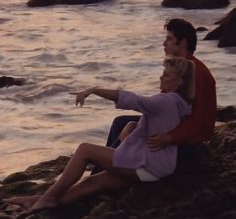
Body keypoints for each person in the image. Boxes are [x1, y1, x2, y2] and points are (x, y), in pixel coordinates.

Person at [4, 56, 195, 214]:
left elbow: (130, 99)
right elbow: (155, 128)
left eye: (167, 75)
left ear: (179, 82)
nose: (161, 78)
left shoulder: (165, 101)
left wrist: (93, 90)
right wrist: (130, 127)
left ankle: (46, 199)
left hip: (147, 166)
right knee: (92, 182)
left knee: (85, 150)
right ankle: (38, 202)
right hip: (157, 168)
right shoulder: (179, 103)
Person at [92, 18, 217, 174]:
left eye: (169, 39)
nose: (164, 44)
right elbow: (163, 107)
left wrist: (169, 137)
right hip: (175, 127)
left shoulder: (195, 72)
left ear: (183, 43)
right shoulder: (180, 67)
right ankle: (104, 169)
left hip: (187, 142)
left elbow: (197, 120)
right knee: (122, 123)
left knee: (127, 129)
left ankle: (107, 170)